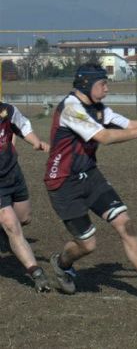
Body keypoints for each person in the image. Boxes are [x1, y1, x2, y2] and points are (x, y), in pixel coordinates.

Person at [44, 64, 137, 302]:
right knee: (88, 245)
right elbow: (105, 137)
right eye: (103, 84)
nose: (107, 88)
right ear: (86, 85)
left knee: (124, 222)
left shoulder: (99, 109)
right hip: (63, 183)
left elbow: (130, 125)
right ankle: (61, 262)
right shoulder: (70, 109)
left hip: (90, 175)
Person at [0, 101, 52, 292]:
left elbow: (22, 126)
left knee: (24, 218)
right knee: (11, 226)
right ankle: (36, 273)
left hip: (13, 173)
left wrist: (36, 142)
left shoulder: (7, 110)